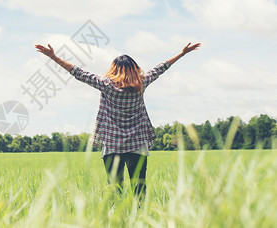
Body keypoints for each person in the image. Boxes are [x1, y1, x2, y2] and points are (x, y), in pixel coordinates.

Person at [35, 42, 201, 200]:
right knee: (139, 189)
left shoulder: (105, 84)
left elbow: (78, 72)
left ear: (114, 69)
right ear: (135, 69)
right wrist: (182, 53)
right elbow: (161, 68)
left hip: (112, 145)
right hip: (137, 144)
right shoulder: (141, 83)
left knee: (115, 189)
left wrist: (53, 57)